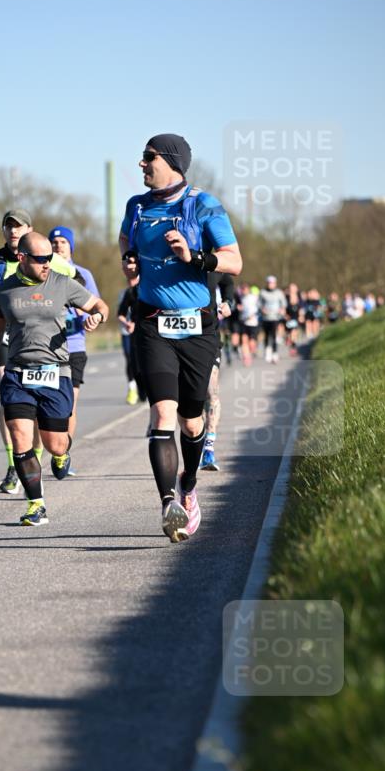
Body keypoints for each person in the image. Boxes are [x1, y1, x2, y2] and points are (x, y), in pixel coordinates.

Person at [119, 133, 241, 543]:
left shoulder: (203, 205)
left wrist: (195, 256)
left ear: (170, 161)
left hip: (197, 326)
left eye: (147, 157)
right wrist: (130, 264)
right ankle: (168, 502)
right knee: (162, 415)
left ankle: (189, 488)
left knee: (192, 422)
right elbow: (126, 243)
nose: (141, 164)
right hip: (153, 323)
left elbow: (234, 260)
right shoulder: (137, 207)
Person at [0, 233, 109, 526]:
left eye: (50, 258)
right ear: (23, 259)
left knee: (55, 444)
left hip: (56, 371)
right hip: (17, 373)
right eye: (41, 260)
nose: (47, 264)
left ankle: (63, 456)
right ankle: (36, 505)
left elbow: (101, 306)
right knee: (20, 439)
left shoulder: (63, 284)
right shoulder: (3, 291)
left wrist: (97, 318)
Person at [0, 208, 74, 494]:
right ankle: (14, 465)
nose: (13, 231)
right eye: (8, 227)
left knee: (42, 416)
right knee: (11, 400)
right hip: (8, 336)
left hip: (43, 344)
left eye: (19, 227)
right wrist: (7, 297)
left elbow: (70, 283)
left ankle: (40, 455)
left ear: (29, 229)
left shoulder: (46, 260)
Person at [48, 226, 99, 477]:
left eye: (63, 242)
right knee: (44, 407)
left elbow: (97, 308)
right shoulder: (42, 273)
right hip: (45, 349)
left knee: (69, 405)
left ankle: (63, 452)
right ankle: (47, 450)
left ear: (71, 247)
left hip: (74, 346)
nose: (59, 246)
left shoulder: (83, 274)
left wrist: (91, 318)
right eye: (54, 243)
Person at [200, 272, 235, 471]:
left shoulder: (213, 263)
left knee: (211, 393)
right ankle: (196, 442)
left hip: (209, 338)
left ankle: (209, 449)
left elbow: (228, 282)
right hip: (178, 341)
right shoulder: (171, 260)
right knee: (190, 401)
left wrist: (228, 301)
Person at [117, 253, 146, 406]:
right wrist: (128, 323)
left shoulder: (148, 287)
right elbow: (120, 313)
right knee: (132, 363)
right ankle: (136, 389)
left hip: (149, 332)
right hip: (130, 332)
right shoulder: (127, 292)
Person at [258, 275, 286, 364]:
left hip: (275, 317)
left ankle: (275, 353)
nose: (271, 284)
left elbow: (284, 304)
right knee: (266, 335)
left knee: (273, 335)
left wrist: (282, 309)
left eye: (272, 283)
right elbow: (258, 303)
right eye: (269, 283)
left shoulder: (279, 293)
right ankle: (267, 351)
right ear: (267, 283)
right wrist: (262, 309)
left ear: (275, 284)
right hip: (265, 318)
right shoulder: (262, 292)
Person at [238, 282, 260, 365]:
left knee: (251, 344)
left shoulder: (253, 297)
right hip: (244, 322)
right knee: (244, 341)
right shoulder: (242, 298)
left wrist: (253, 314)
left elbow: (259, 307)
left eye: (244, 289)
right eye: (242, 289)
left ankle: (251, 352)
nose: (243, 291)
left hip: (253, 323)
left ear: (248, 289)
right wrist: (240, 309)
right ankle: (247, 357)